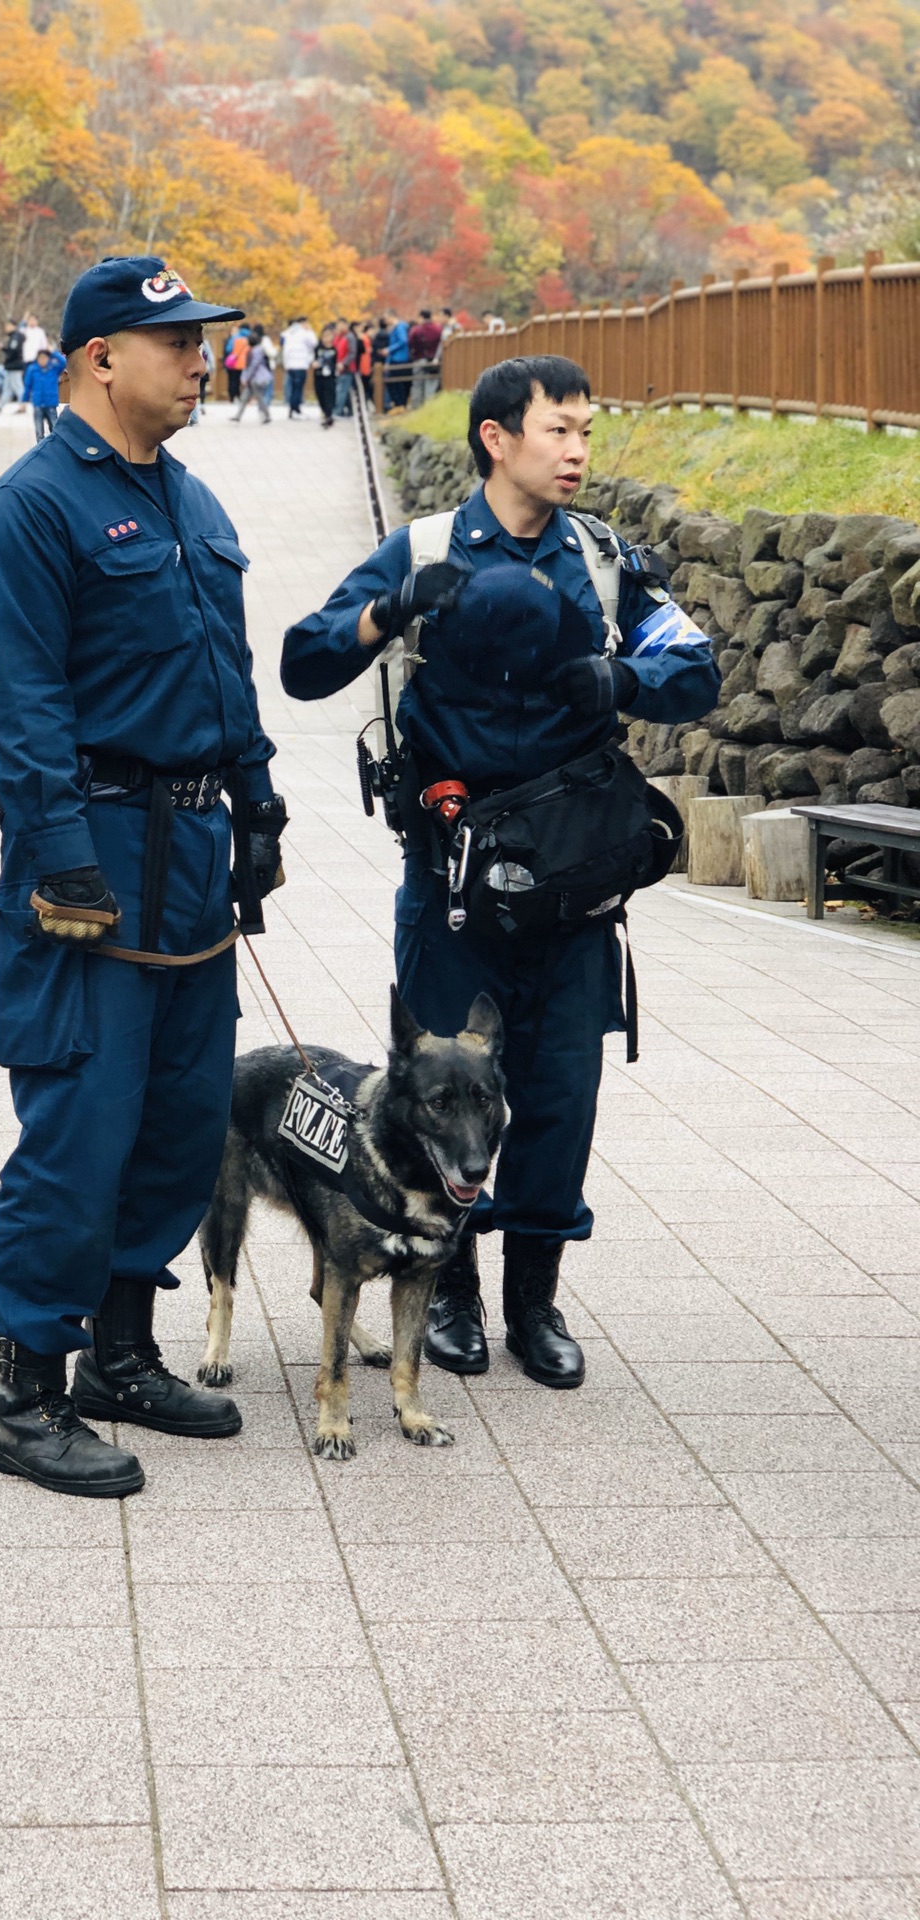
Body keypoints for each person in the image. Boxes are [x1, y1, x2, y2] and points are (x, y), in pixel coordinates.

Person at [280, 356, 720, 1391]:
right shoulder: (425, 551)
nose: (576, 451)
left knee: (559, 1101)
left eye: (585, 433)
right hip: (454, 888)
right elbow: (304, 661)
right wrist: (390, 611)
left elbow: (696, 669)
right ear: (496, 437)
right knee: (442, 1097)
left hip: (574, 895)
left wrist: (619, 673)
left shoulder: (606, 560)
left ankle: (535, 1305)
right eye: (558, 430)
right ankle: (453, 1302)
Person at [0, 254, 288, 1498]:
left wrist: (256, 806)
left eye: (205, 341)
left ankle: (123, 1354)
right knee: (80, 1130)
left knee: (183, 1118)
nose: (204, 360)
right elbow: (27, 706)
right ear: (102, 356)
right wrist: (62, 866)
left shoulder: (192, 499)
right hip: (90, 856)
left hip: (194, 859)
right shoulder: (31, 509)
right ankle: (26, 1389)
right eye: (180, 343)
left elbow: (229, 670)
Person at [233, 325, 273, 423]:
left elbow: (252, 367)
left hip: (256, 379)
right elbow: (247, 366)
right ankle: (238, 416)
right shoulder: (254, 350)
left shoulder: (256, 352)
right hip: (252, 379)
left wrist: (246, 378)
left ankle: (267, 415)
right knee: (245, 396)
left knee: (258, 397)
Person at [280, 315, 318, 417]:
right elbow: (314, 343)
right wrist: (310, 331)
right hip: (300, 364)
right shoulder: (305, 333)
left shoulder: (288, 333)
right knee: (298, 388)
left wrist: (286, 364)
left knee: (293, 388)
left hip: (290, 365)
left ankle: (293, 409)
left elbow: (285, 349)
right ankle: (295, 409)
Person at [21, 343, 61, 440]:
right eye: (40, 358)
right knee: (39, 431)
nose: (42, 360)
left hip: (50, 402)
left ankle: (55, 447)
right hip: (38, 403)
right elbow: (27, 386)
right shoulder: (32, 369)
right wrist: (24, 401)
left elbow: (63, 362)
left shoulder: (53, 368)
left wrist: (53, 353)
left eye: (45, 358)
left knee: (55, 428)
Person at [408, 308, 443, 408]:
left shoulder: (416, 330)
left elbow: (410, 343)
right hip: (434, 361)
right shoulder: (438, 329)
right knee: (431, 385)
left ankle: (416, 408)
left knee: (417, 385)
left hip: (419, 359)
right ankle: (429, 407)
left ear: (421, 317)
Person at [382, 311, 410, 412]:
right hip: (394, 358)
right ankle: (398, 404)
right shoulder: (394, 328)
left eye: (386, 318)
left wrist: (390, 349)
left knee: (397, 383)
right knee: (394, 383)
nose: (385, 321)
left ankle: (400, 404)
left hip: (400, 359)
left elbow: (403, 341)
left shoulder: (399, 327)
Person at [312, 322, 338, 428]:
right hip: (318, 375)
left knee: (329, 396)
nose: (326, 338)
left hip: (330, 377)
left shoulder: (335, 349)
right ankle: (326, 414)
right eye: (324, 336)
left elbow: (337, 362)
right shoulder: (318, 348)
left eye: (329, 336)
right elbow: (313, 358)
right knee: (320, 395)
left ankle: (328, 416)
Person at [0, 319, 26, 407]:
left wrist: (7, 359)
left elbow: (13, 351)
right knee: (7, 388)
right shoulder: (14, 336)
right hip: (11, 366)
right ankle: (0, 406)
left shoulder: (15, 337)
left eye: (7, 326)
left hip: (14, 365)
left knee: (18, 387)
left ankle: (23, 404)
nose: (6, 328)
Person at [334, 320, 356, 418]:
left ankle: (337, 411)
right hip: (338, 367)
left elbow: (352, 353)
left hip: (346, 368)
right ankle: (348, 410)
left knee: (342, 390)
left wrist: (344, 363)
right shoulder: (338, 337)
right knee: (344, 391)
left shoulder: (349, 337)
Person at [190, 334, 215, 424]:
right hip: (204, 368)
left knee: (193, 391)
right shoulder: (205, 344)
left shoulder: (191, 343)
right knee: (199, 389)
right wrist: (211, 368)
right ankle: (198, 411)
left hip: (195, 370)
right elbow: (210, 356)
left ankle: (194, 416)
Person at [222, 324, 247, 403]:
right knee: (240, 380)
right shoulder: (244, 339)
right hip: (242, 363)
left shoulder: (233, 339)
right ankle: (239, 396)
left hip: (233, 363)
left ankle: (232, 397)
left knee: (232, 380)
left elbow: (228, 349)